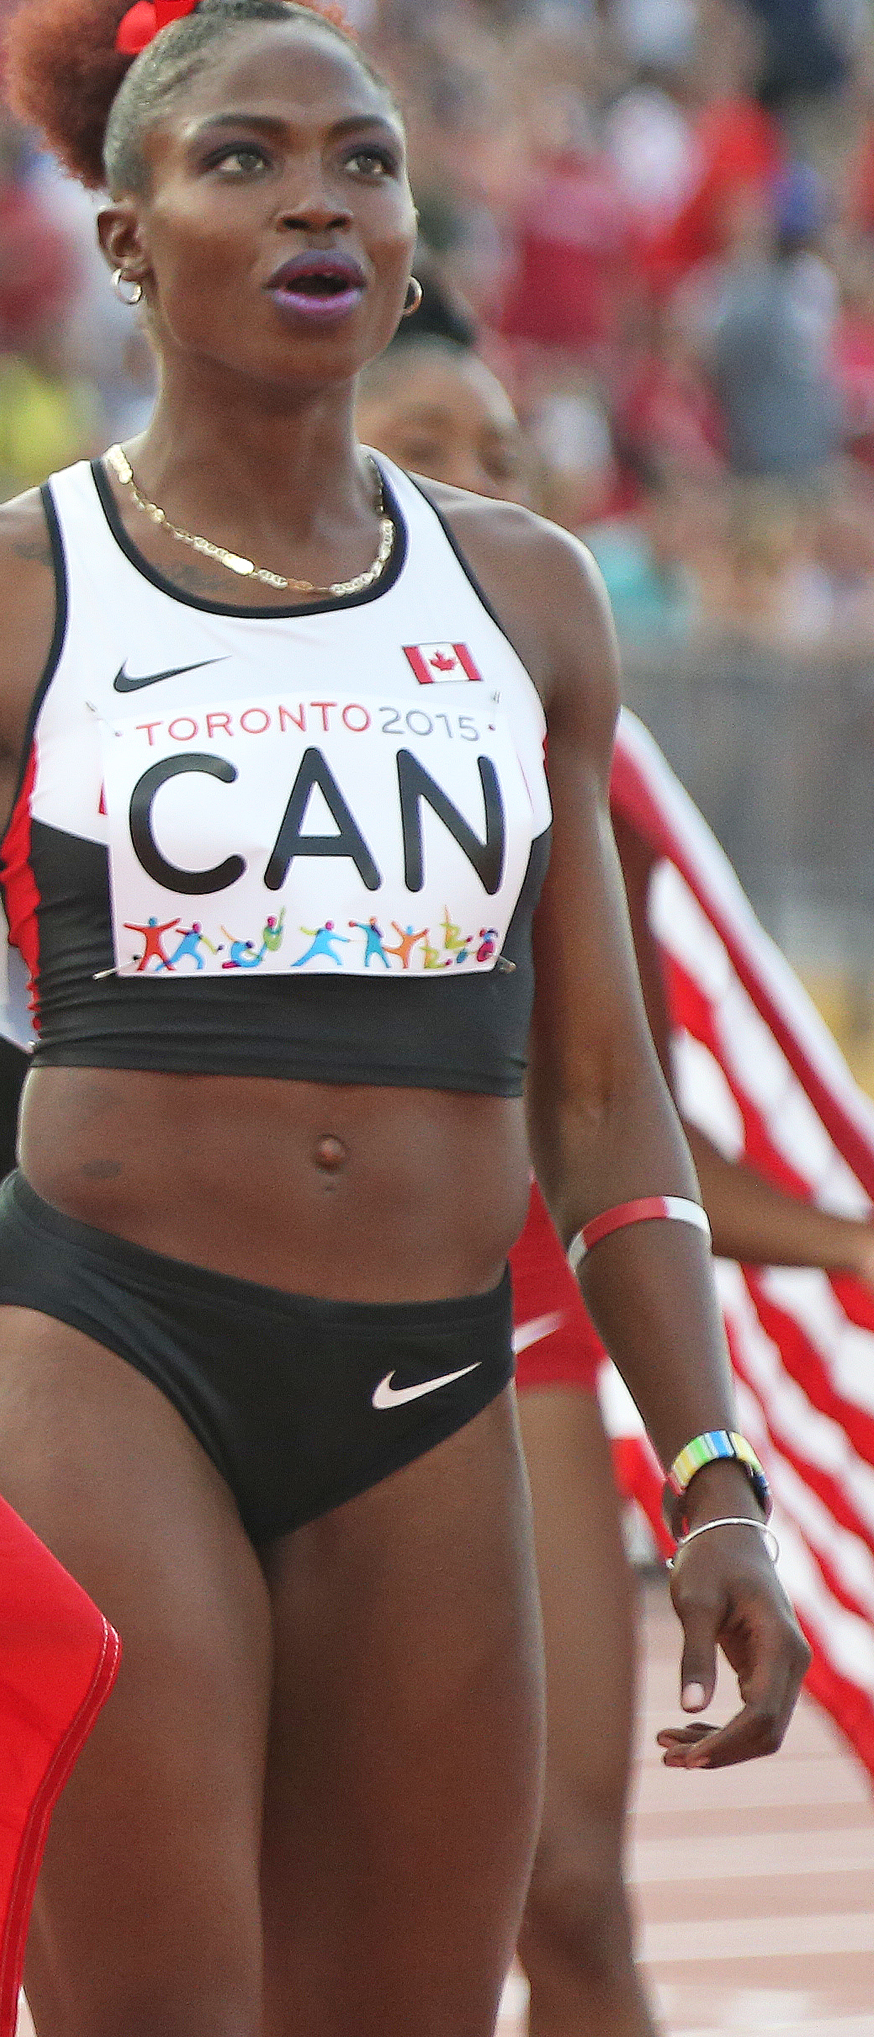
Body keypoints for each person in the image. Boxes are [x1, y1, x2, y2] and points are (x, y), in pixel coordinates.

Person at [0, 0, 807, 2034]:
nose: (321, 202)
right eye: (249, 159)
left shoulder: (528, 597)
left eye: (364, 164)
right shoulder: (0, 588)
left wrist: (714, 1469)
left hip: (427, 1378)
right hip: (102, 1348)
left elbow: (598, 1091)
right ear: (126, 239)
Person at [358, 287, 874, 2037]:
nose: (472, 488)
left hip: (514, 1338)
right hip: (218, 1331)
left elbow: (614, 1121)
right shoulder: (129, 685)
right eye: (421, 449)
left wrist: (843, 1247)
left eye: (501, 457)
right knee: (296, 1913)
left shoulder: (567, 757)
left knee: (565, 1892)